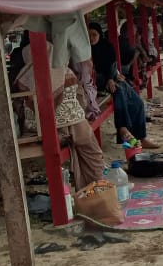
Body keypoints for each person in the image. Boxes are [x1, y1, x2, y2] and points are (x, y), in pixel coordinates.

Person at [14, 43, 105, 189]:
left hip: (39, 131)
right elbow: (81, 99)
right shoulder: (64, 71)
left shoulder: (23, 77)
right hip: (74, 129)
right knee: (93, 154)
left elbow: (19, 107)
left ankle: (90, 190)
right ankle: (97, 190)